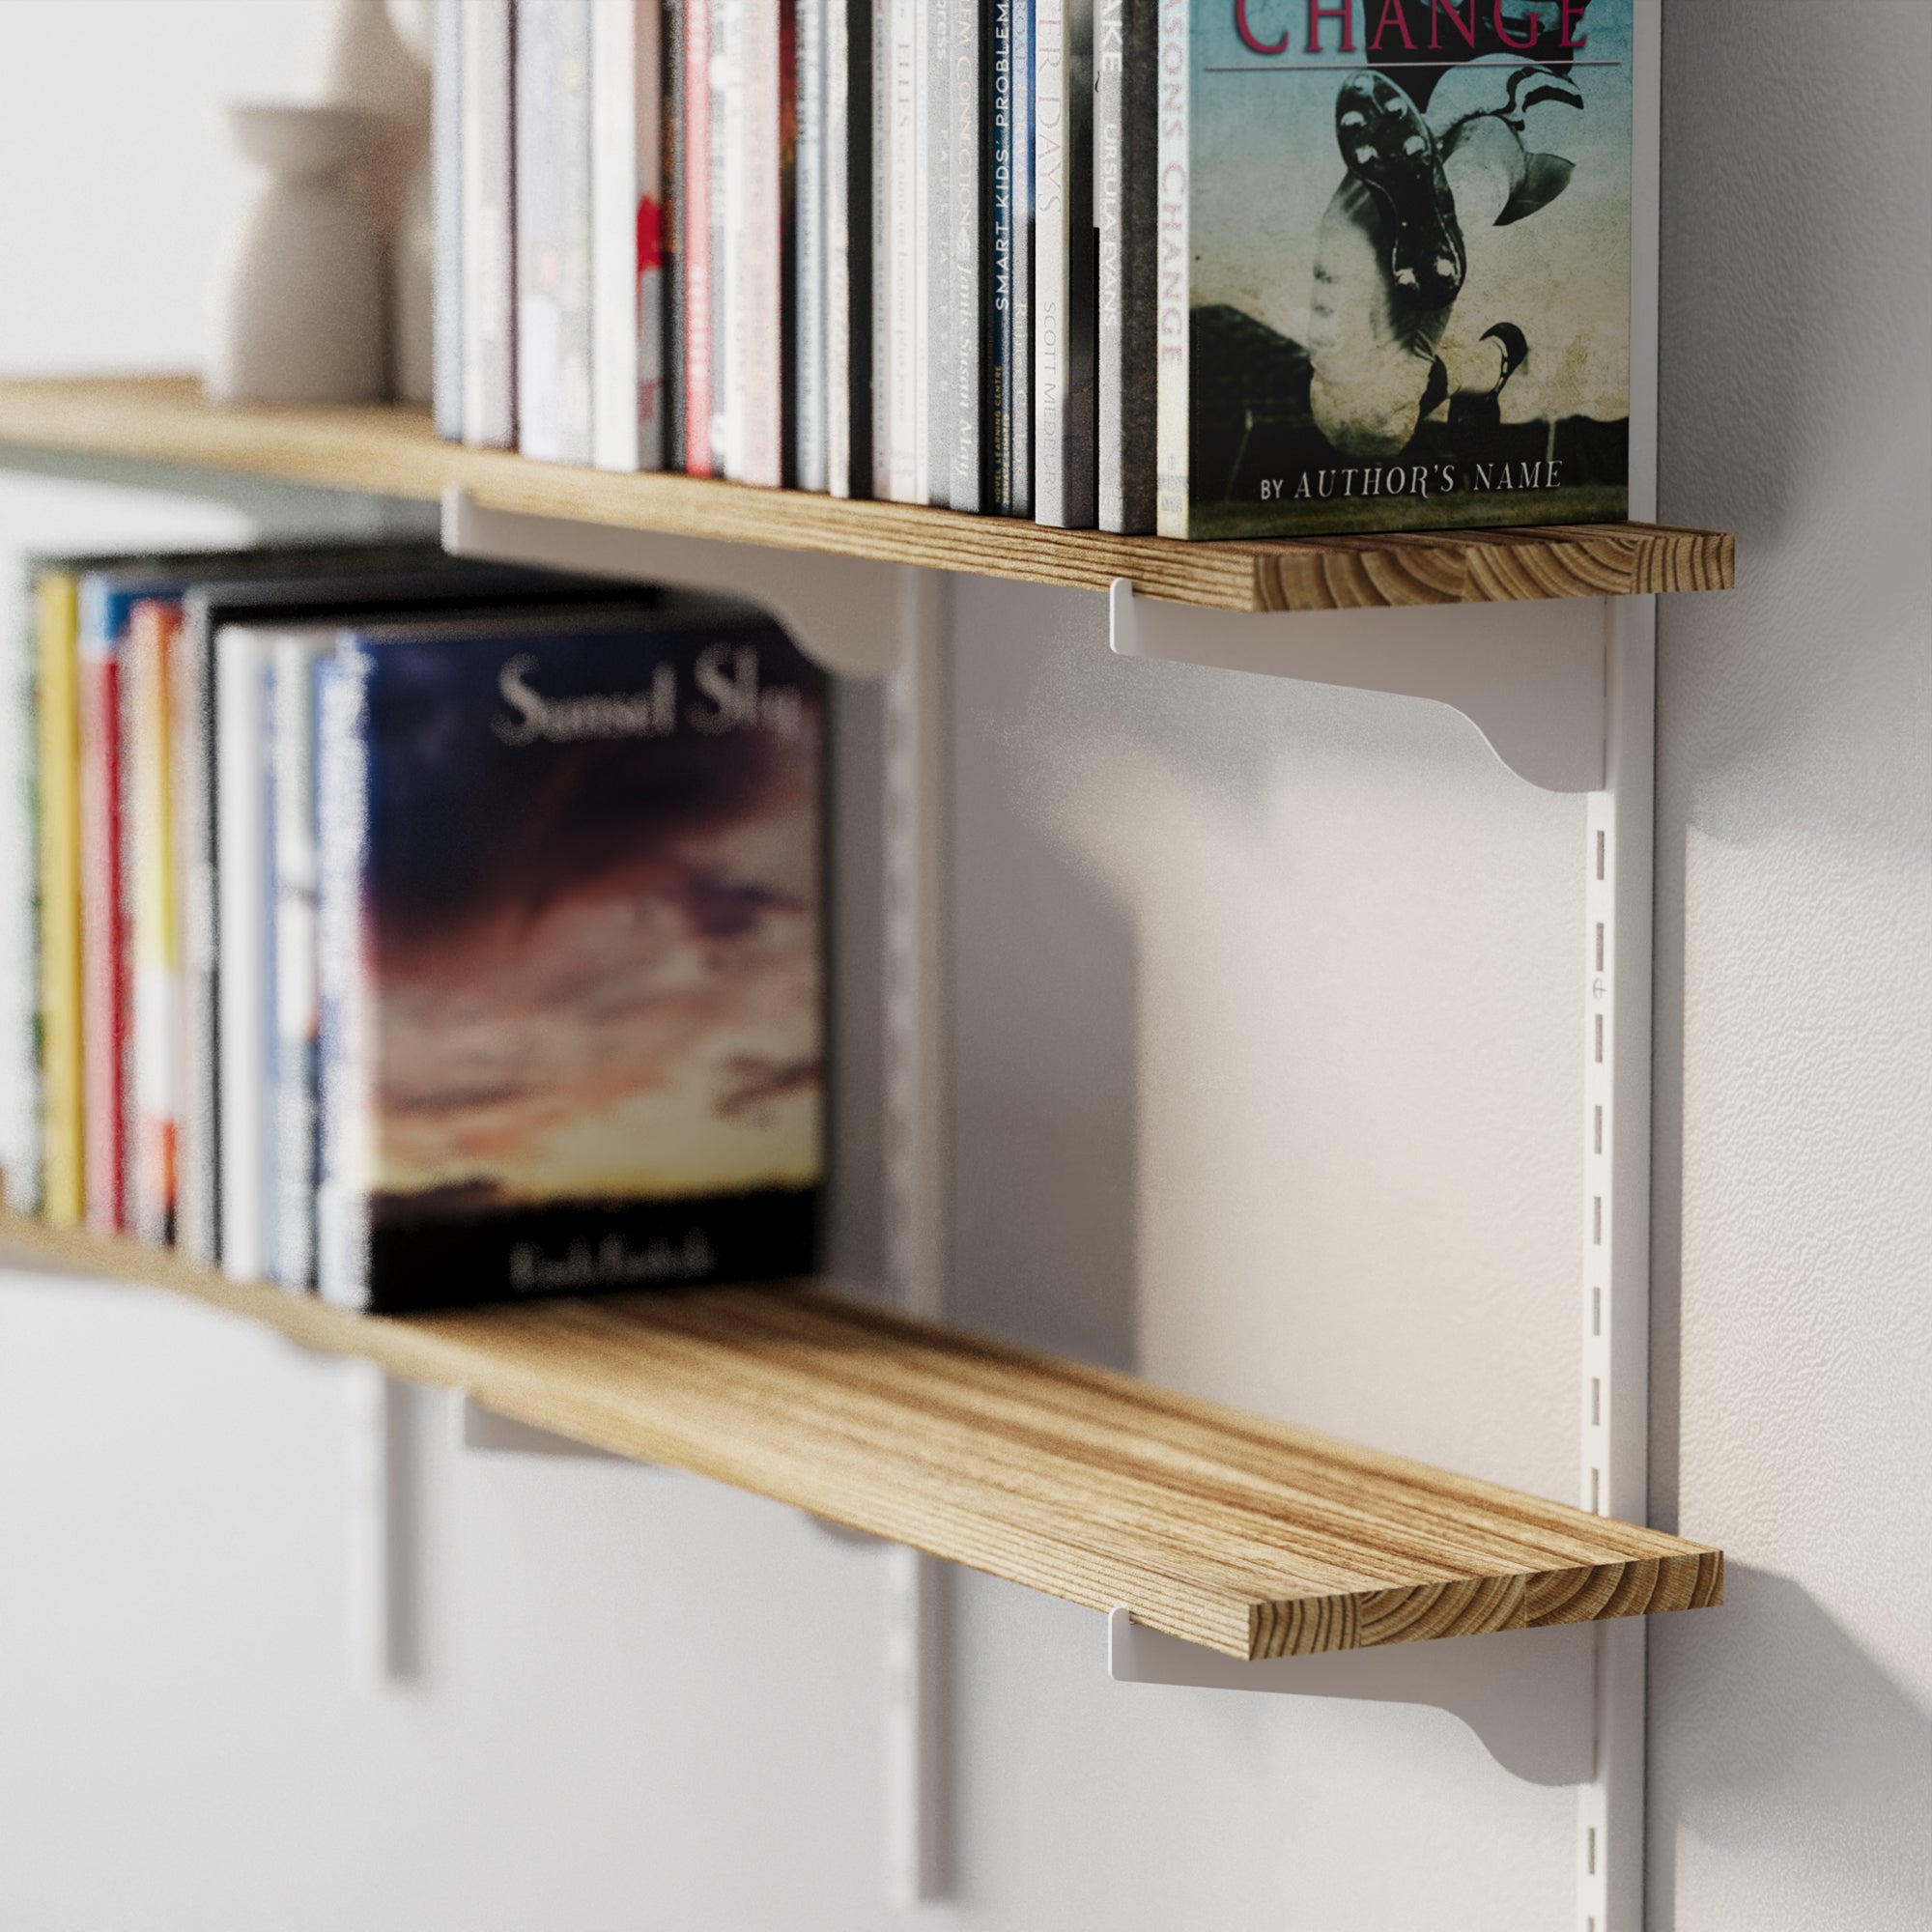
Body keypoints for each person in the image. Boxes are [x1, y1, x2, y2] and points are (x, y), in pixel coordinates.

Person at [1306, 55, 1588, 462]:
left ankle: (1425, 221)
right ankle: (1492, 361)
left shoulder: (1518, 63)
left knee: (1372, 415)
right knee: (1353, 421)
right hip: (1438, 124)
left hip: (1513, 128)